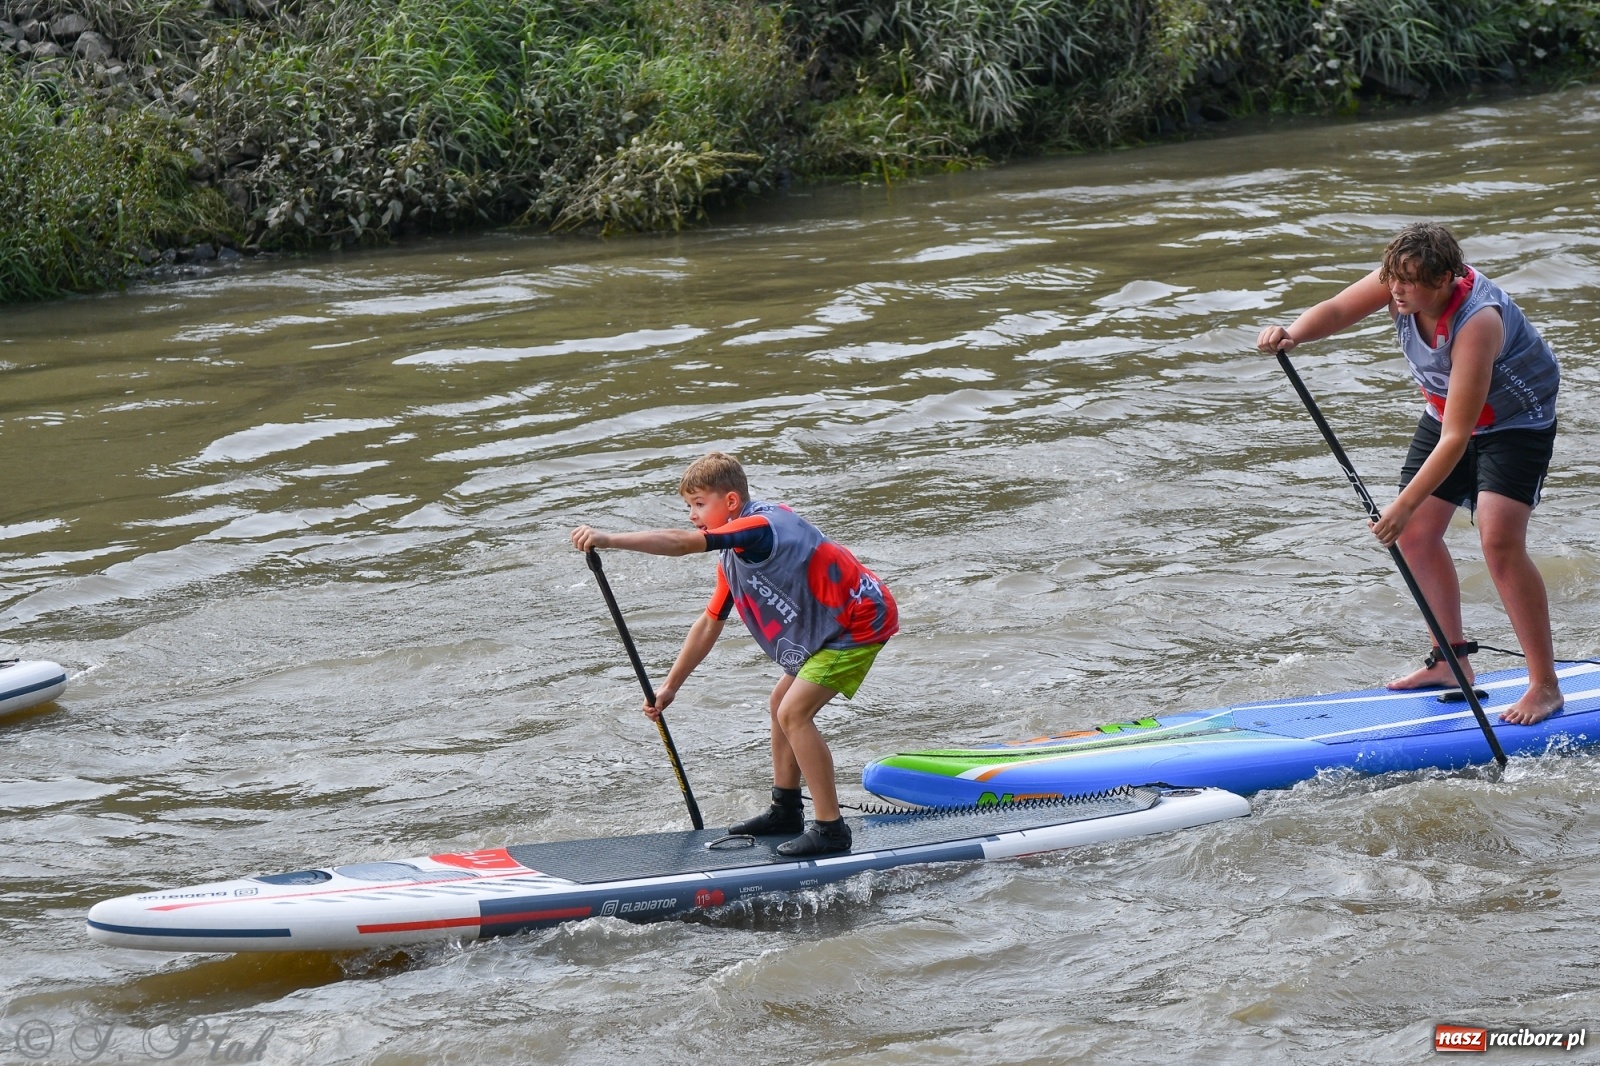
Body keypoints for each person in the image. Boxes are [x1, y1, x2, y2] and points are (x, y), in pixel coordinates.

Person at [1256, 221, 1562, 725]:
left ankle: (1545, 685)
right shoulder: (1399, 281)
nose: (1396, 290)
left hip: (1514, 422)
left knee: (1498, 541)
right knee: (1416, 536)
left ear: (1445, 279)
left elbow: (1456, 439)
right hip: (1447, 413)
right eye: (1392, 278)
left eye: (1410, 282)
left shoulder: (1478, 322)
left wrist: (1402, 505)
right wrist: (1293, 333)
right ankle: (1450, 663)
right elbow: (1337, 309)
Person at [570, 451, 898, 855]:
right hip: (832, 624)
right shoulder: (733, 560)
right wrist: (669, 687)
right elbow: (709, 624)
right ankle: (786, 811)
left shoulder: (759, 527)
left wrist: (609, 539)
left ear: (730, 501)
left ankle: (831, 829)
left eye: (698, 504)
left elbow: (682, 543)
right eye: (688, 506)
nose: (692, 515)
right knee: (779, 703)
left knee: (794, 713)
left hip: (860, 622)